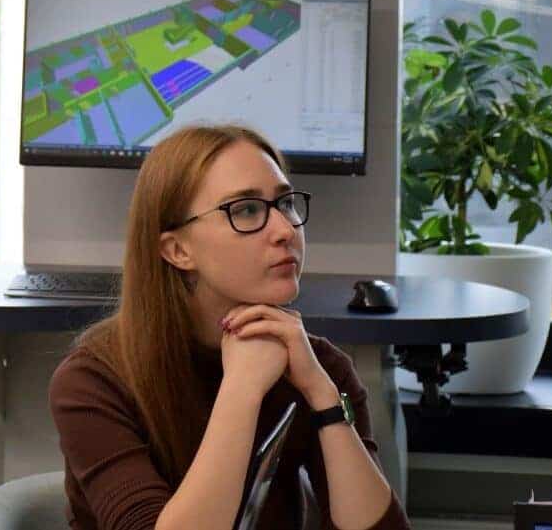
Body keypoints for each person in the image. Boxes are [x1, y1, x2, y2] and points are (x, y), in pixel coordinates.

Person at [49, 125, 411, 530]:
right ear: (177, 250)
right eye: (246, 210)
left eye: (285, 203)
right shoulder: (92, 381)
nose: (285, 230)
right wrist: (242, 389)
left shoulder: (318, 365)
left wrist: (325, 399)